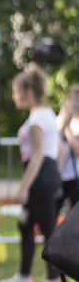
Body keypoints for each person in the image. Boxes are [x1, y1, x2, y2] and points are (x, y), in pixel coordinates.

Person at [0, 66, 62, 282]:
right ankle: (25, 276)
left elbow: (37, 156)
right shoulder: (47, 114)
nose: (14, 97)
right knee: (25, 224)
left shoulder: (37, 119)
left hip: (41, 176)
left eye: (16, 91)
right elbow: (59, 149)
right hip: (46, 174)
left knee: (47, 228)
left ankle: (53, 281)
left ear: (28, 91)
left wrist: (23, 187)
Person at [56, 84, 79, 215]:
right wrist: (64, 121)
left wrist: (67, 130)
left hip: (74, 177)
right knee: (54, 212)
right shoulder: (59, 120)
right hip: (60, 176)